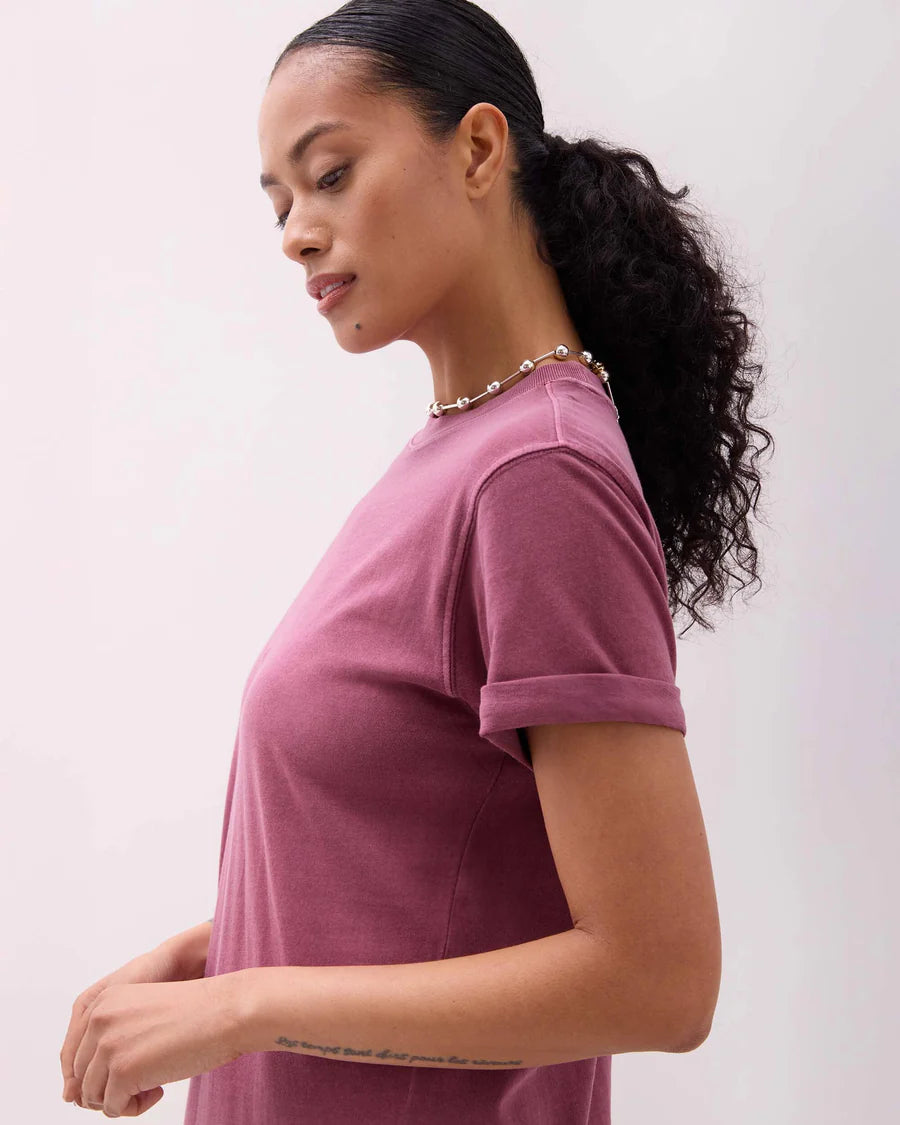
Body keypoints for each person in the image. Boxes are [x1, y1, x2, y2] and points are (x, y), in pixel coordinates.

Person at [60, 0, 774, 1120]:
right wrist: (211, 956)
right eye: (281, 203)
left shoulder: (539, 475)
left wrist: (245, 1004)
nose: (297, 233)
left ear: (480, 148)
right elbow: (414, 875)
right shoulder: (465, 455)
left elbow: (658, 977)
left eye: (331, 175)